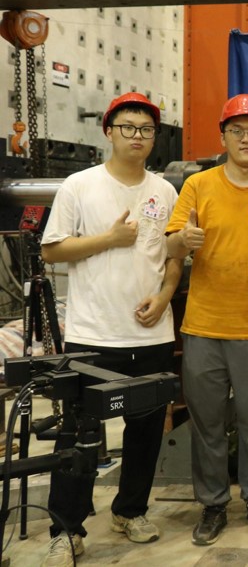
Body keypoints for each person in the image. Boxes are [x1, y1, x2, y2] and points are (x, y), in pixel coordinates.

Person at [40, 92, 181, 567]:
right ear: (109, 131)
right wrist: (110, 238)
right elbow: (52, 250)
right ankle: (67, 529)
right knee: (78, 433)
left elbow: (174, 256)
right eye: (128, 127)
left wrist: (164, 297)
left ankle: (130, 511)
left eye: (146, 129)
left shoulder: (165, 192)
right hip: (93, 334)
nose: (137, 136)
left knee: (146, 431)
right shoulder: (79, 186)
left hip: (152, 334)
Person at [166, 93, 248, 546]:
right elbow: (169, 245)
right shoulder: (198, 186)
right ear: (222, 136)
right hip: (203, 328)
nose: (246, 138)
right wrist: (183, 240)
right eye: (237, 131)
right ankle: (213, 505)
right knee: (207, 423)